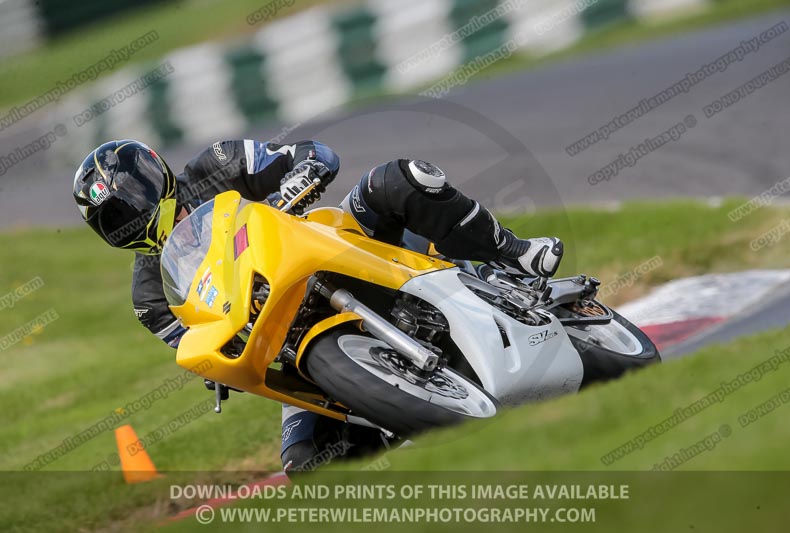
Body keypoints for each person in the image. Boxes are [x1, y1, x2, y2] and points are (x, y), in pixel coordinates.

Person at [72, 138, 563, 473]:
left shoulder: (217, 164)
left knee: (401, 179)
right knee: (304, 461)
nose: (131, 215)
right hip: (290, 341)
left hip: (335, 242)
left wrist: (302, 172)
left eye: (131, 198)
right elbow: (200, 345)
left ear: (154, 174)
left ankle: (514, 255)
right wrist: (213, 362)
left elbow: (310, 152)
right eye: (115, 215)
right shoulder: (149, 297)